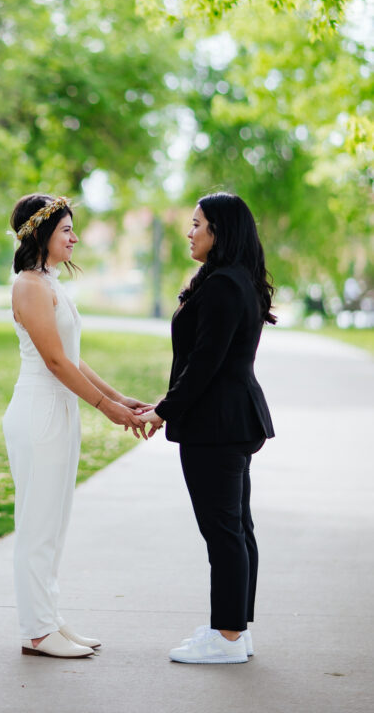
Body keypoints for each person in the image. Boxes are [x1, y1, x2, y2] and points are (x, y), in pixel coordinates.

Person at [3, 193, 149, 659]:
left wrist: (120, 397)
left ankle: (49, 620)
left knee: (55, 522)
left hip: (59, 410)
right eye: (67, 230)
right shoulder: (28, 284)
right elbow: (52, 361)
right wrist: (106, 407)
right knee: (37, 525)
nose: (75, 237)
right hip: (39, 411)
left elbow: (72, 356)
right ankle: (38, 631)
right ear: (42, 234)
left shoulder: (47, 281)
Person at [140, 192, 276, 665]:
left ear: (220, 230)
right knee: (236, 528)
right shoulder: (235, 280)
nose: (190, 231)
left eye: (197, 224)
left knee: (224, 532)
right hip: (231, 420)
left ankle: (229, 637)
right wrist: (166, 405)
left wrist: (162, 410)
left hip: (216, 424)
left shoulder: (222, 285)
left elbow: (204, 365)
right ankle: (235, 629)